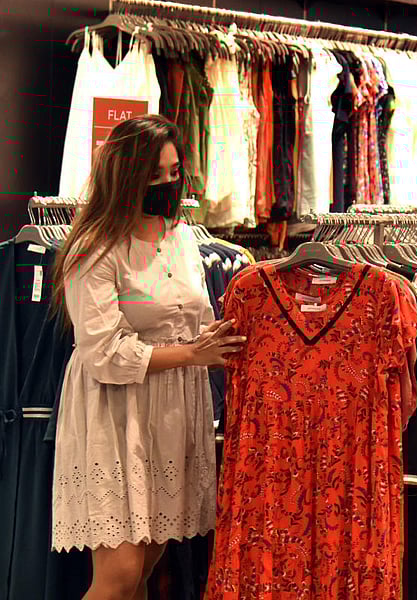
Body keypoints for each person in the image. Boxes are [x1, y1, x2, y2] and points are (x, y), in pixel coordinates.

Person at [49, 115, 245, 600]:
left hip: (173, 411)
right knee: (117, 577)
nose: (167, 184)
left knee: (144, 568)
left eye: (174, 172)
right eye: (155, 174)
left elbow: (191, 316)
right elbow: (102, 352)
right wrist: (192, 352)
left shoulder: (180, 238)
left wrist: (219, 341)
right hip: (116, 413)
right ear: (126, 176)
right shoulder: (94, 248)